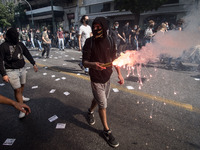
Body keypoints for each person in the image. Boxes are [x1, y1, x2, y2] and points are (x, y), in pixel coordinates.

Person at [82, 17, 124, 148]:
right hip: (95, 78)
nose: (95, 29)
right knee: (103, 104)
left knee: (100, 99)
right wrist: (93, 65)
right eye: (93, 27)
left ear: (104, 28)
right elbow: (84, 62)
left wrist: (120, 74)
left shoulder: (111, 40)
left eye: (98, 27)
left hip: (107, 77)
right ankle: (106, 131)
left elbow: (115, 59)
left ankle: (89, 111)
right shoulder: (89, 42)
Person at [0, 27, 38, 118]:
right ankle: (21, 108)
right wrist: (4, 74)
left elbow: (27, 53)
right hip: (11, 70)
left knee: (22, 85)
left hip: (22, 68)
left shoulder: (20, 44)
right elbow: (0, 61)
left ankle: (21, 96)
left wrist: (33, 63)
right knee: (17, 89)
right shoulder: (3, 46)